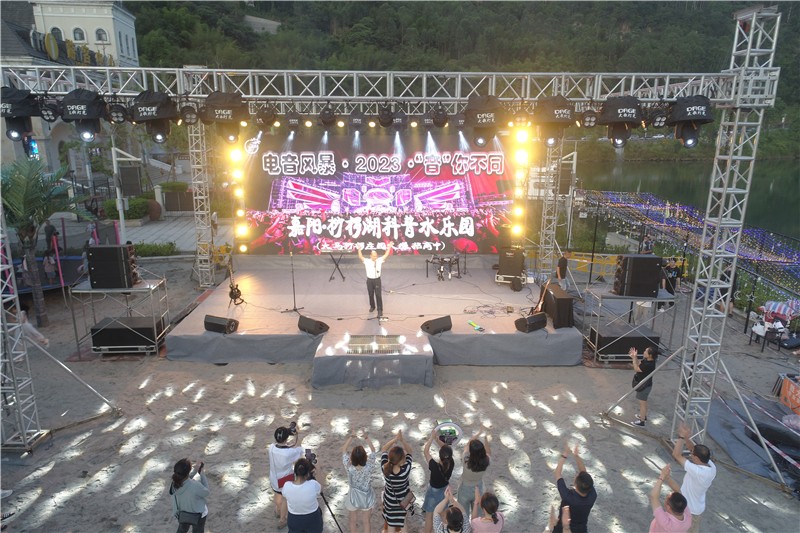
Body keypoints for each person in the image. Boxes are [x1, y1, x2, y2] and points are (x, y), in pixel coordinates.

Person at [671, 424, 717, 533]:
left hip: (689, 510)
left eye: (692, 454)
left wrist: (681, 437)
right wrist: (687, 438)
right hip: (697, 509)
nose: (690, 454)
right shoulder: (711, 466)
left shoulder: (697, 471)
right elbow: (693, 448)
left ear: (696, 458)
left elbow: (676, 455)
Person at [552, 443, 596, 533]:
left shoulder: (568, 497)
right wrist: (576, 456)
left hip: (562, 528)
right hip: (581, 529)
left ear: (575, 484)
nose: (576, 474)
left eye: (576, 476)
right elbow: (583, 471)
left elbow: (557, 473)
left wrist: (564, 455)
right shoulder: (592, 495)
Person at [268, 424, 305, 528]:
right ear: (286, 438)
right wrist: (297, 435)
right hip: (285, 479)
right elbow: (300, 450)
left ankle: (277, 510)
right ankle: (282, 520)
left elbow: (283, 445)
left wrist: (288, 432)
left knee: (277, 493)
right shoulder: (289, 453)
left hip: (273, 477)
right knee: (285, 498)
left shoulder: (271, 447)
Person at [342, 432, 378, 533]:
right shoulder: (369, 466)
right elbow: (373, 451)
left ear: (351, 458)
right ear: (365, 457)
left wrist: (351, 437)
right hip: (367, 496)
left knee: (352, 521)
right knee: (366, 521)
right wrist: (366, 437)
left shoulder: (349, 467)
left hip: (353, 496)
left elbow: (344, 450)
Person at [380, 429, 414, 532]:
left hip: (390, 502)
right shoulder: (406, 470)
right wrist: (402, 440)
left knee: (391, 523)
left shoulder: (385, 468)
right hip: (403, 501)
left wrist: (394, 439)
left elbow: (383, 449)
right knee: (402, 522)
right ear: (401, 460)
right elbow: (410, 451)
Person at [423, 429, 455, 533]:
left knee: (429, 517)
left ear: (439, 456)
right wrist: (437, 440)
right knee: (444, 515)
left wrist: (432, 438)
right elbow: (446, 449)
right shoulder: (452, 463)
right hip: (445, 492)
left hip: (433, 492)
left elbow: (426, 451)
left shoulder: (434, 466)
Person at [282, 456, 323, 533]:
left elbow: (284, 501)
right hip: (312, 517)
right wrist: (318, 469)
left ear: (295, 472)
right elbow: (321, 488)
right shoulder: (313, 484)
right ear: (308, 473)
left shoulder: (287, 486)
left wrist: (282, 517)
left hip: (294, 518)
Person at [456, 431, 491, 520]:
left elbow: (468, 444)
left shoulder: (466, 460)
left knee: (463, 515)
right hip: (479, 488)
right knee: (477, 516)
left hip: (464, 489)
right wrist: (486, 439)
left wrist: (478, 433)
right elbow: (488, 452)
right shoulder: (486, 461)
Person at [168, 458, 209, 533]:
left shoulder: (174, 483)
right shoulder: (195, 485)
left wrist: (195, 470)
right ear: (188, 471)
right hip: (197, 515)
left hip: (182, 513)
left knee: (182, 530)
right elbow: (206, 492)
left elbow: (185, 480)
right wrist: (202, 474)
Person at [356, 241, 394, 322]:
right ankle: (372, 306)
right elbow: (360, 257)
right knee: (370, 294)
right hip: (369, 280)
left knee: (378, 295)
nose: (375, 257)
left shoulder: (379, 260)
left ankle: (380, 310)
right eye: (374, 256)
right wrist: (359, 249)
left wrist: (389, 247)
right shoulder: (367, 261)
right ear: (370, 256)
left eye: (376, 256)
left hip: (377, 280)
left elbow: (386, 255)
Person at [649, 464, 692, 532]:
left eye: (667, 498)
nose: (668, 494)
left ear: (668, 507)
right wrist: (667, 477)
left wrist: (662, 476)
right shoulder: (687, 516)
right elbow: (677, 490)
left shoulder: (666, 523)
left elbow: (654, 497)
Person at [630, 347, 657, 426]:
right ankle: (643, 416)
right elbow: (639, 364)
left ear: (650, 355)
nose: (644, 352)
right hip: (643, 384)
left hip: (644, 386)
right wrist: (635, 357)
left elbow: (636, 368)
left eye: (646, 351)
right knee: (643, 403)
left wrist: (633, 358)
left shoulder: (649, 364)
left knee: (643, 404)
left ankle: (641, 421)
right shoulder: (647, 360)